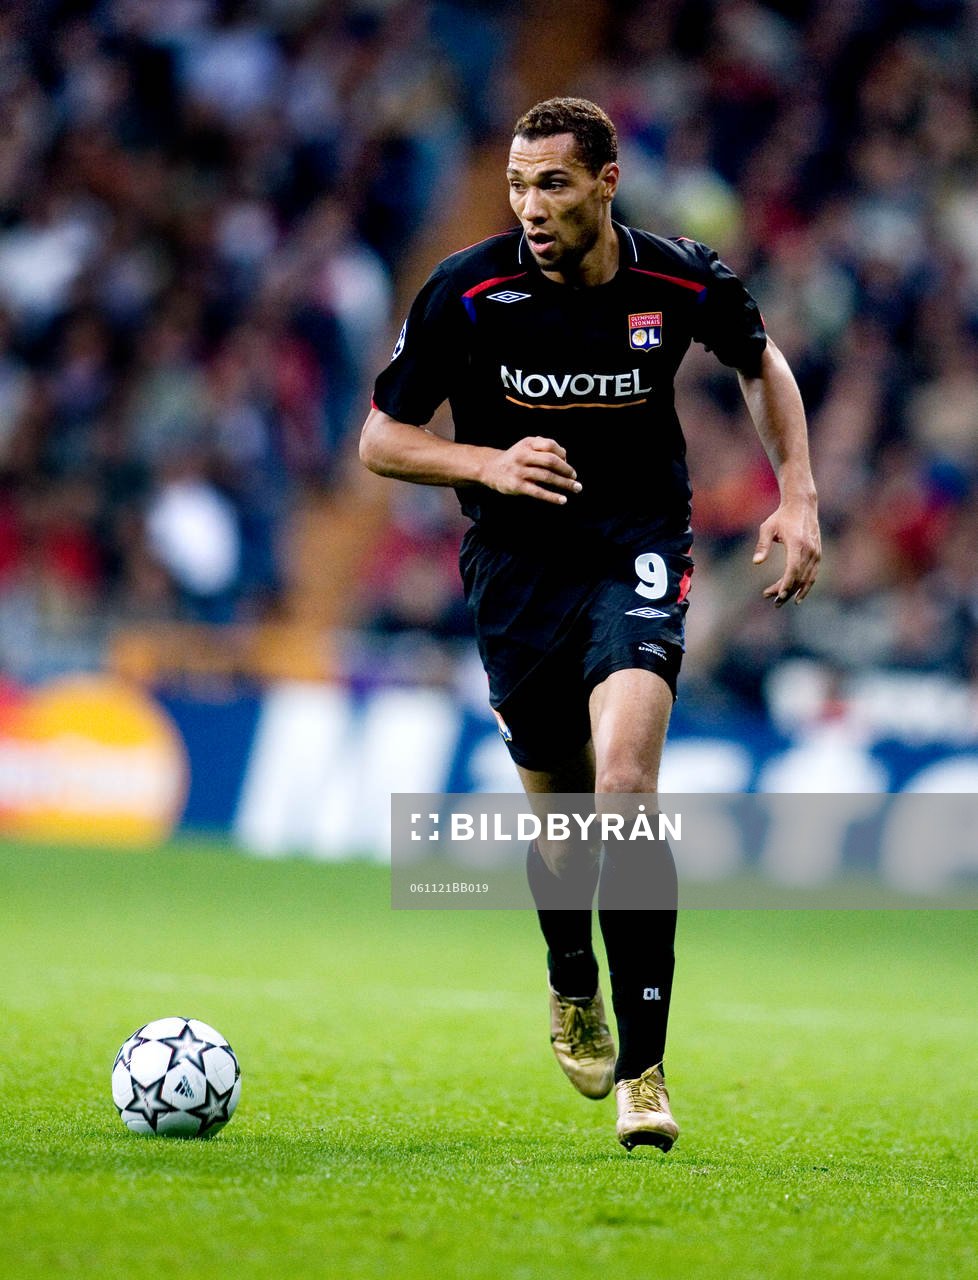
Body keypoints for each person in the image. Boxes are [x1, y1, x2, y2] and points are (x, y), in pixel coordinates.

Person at [360, 97, 820, 1151]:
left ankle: (646, 1073)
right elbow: (380, 439)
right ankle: (574, 981)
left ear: (606, 183)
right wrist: (486, 462)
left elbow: (760, 360)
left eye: (553, 183)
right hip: (516, 569)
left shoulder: (678, 277)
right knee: (564, 824)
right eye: (520, 184)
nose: (530, 204)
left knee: (624, 787)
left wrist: (795, 491)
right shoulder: (468, 289)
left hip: (636, 547)